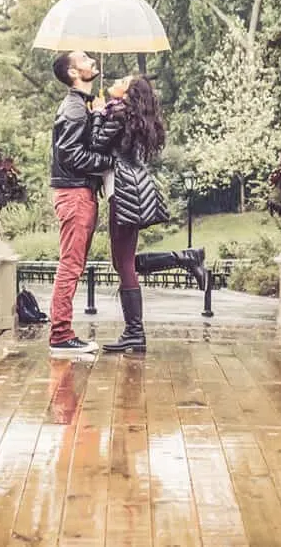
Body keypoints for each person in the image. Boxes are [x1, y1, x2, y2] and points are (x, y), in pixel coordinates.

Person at [90, 75, 207, 353]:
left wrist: (96, 114)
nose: (116, 79)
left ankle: (134, 332)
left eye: (123, 79)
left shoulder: (118, 115)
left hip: (125, 193)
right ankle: (185, 258)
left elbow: (95, 143)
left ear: (128, 92)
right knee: (122, 263)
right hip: (131, 190)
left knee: (124, 264)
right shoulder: (126, 115)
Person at [47, 51, 113, 354]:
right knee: (70, 265)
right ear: (74, 73)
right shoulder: (73, 108)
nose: (91, 61)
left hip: (79, 192)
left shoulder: (81, 106)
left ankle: (63, 333)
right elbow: (71, 155)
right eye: (85, 59)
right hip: (74, 195)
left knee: (74, 264)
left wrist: (98, 115)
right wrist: (107, 161)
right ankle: (61, 335)